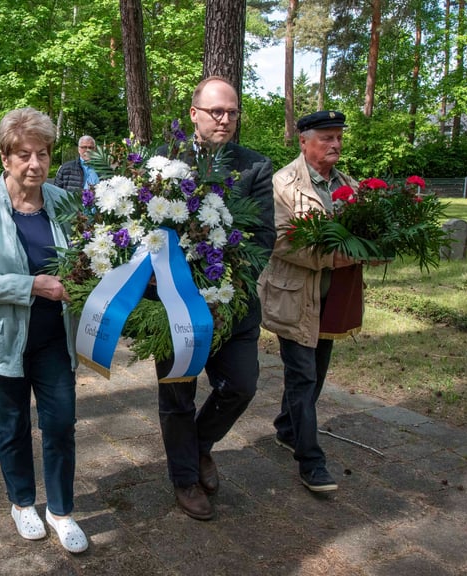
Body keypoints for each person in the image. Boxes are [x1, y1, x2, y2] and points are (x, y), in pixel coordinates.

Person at [0, 107, 87, 554]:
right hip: (3, 340)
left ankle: (61, 511)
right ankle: (22, 502)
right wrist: (32, 285)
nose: (35, 164)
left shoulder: (64, 203)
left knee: (61, 424)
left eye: (44, 154)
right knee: (11, 426)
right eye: (25, 155)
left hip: (54, 338)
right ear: (6, 157)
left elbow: (87, 258)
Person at [153, 76, 276, 520]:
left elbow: (263, 239)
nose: (225, 119)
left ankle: (201, 444)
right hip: (175, 311)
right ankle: (185, 479)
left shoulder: (256, 167)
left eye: (232, 112)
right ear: (194, 114)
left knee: (241, 386)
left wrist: (223, 290)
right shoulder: (163, 166)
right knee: (177, 399)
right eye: (215, 112)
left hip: (234, 305)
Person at [258, 109, 368, 493]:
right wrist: (332, 257)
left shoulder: (349, 184)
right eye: (326, 137)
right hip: (294, 297)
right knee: (303, 377)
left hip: (334, 298)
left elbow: (362, 228)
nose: (335, 144)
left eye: (338, 137)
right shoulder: (282, 185)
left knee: (317, 373)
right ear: (303, 141)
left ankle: (287, 429)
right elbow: (280, 240)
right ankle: (310, 460)